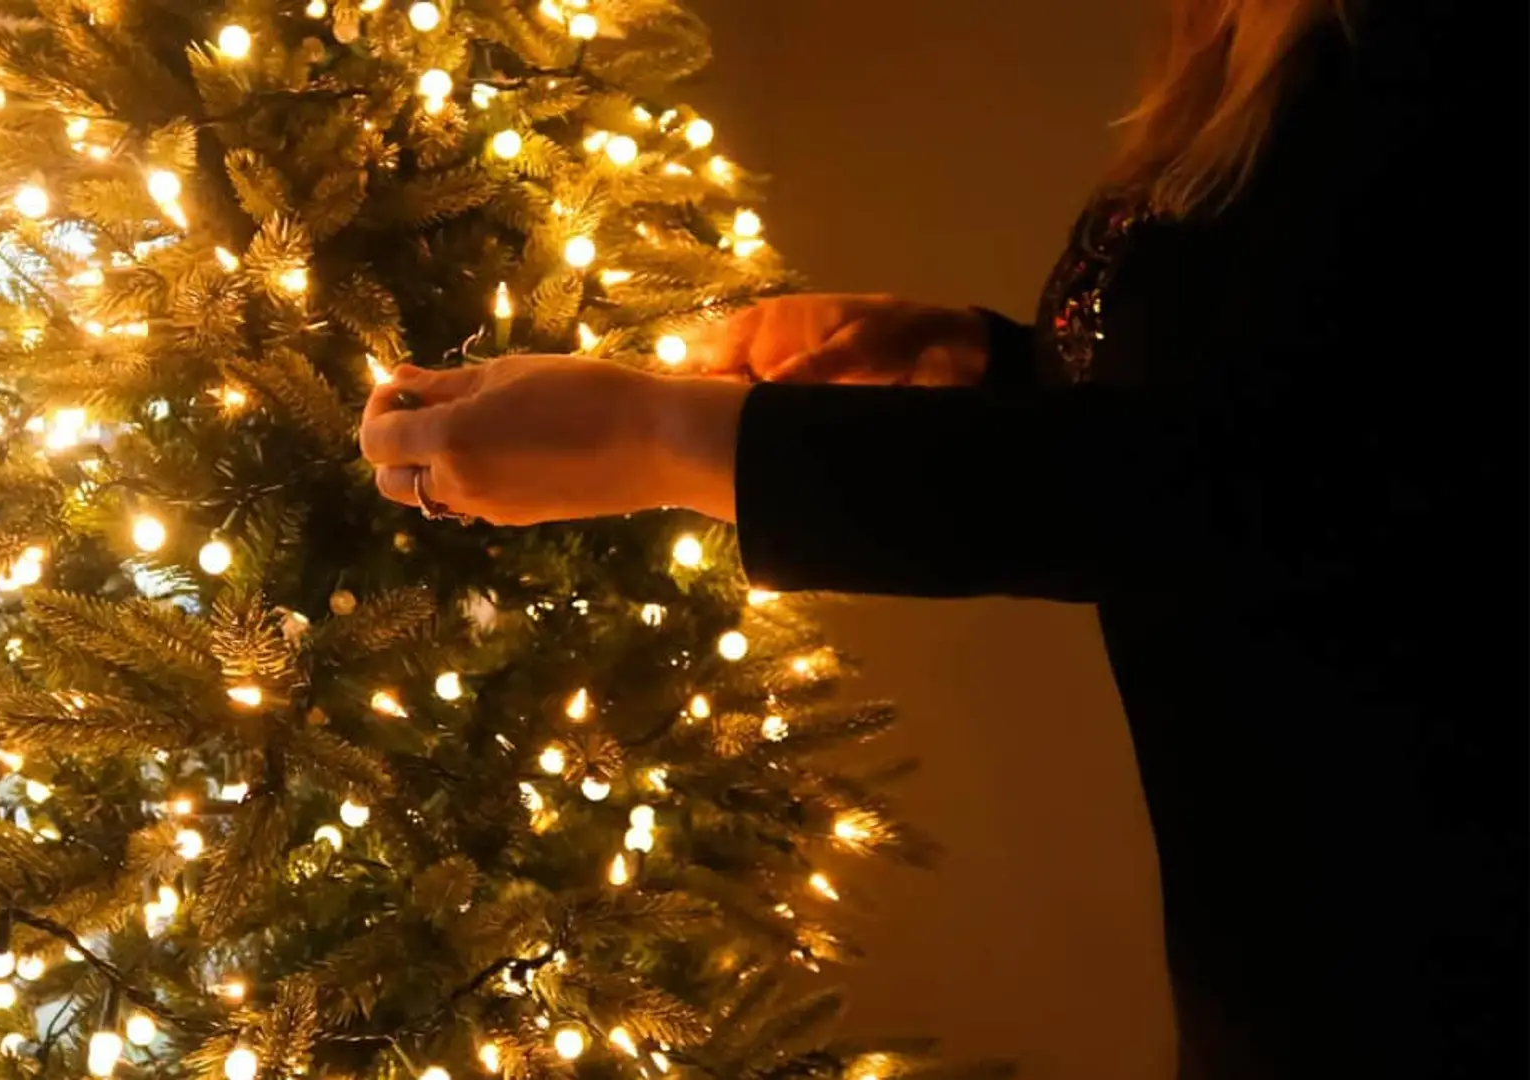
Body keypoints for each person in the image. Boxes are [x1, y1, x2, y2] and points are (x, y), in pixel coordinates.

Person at [360, 1, 1526, 1077]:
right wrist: (986, 362)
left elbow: (1273, 482)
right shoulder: (1245, 37)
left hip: (1432, 942)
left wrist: (676, 437)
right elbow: (1271, 390)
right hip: (1279, 925)